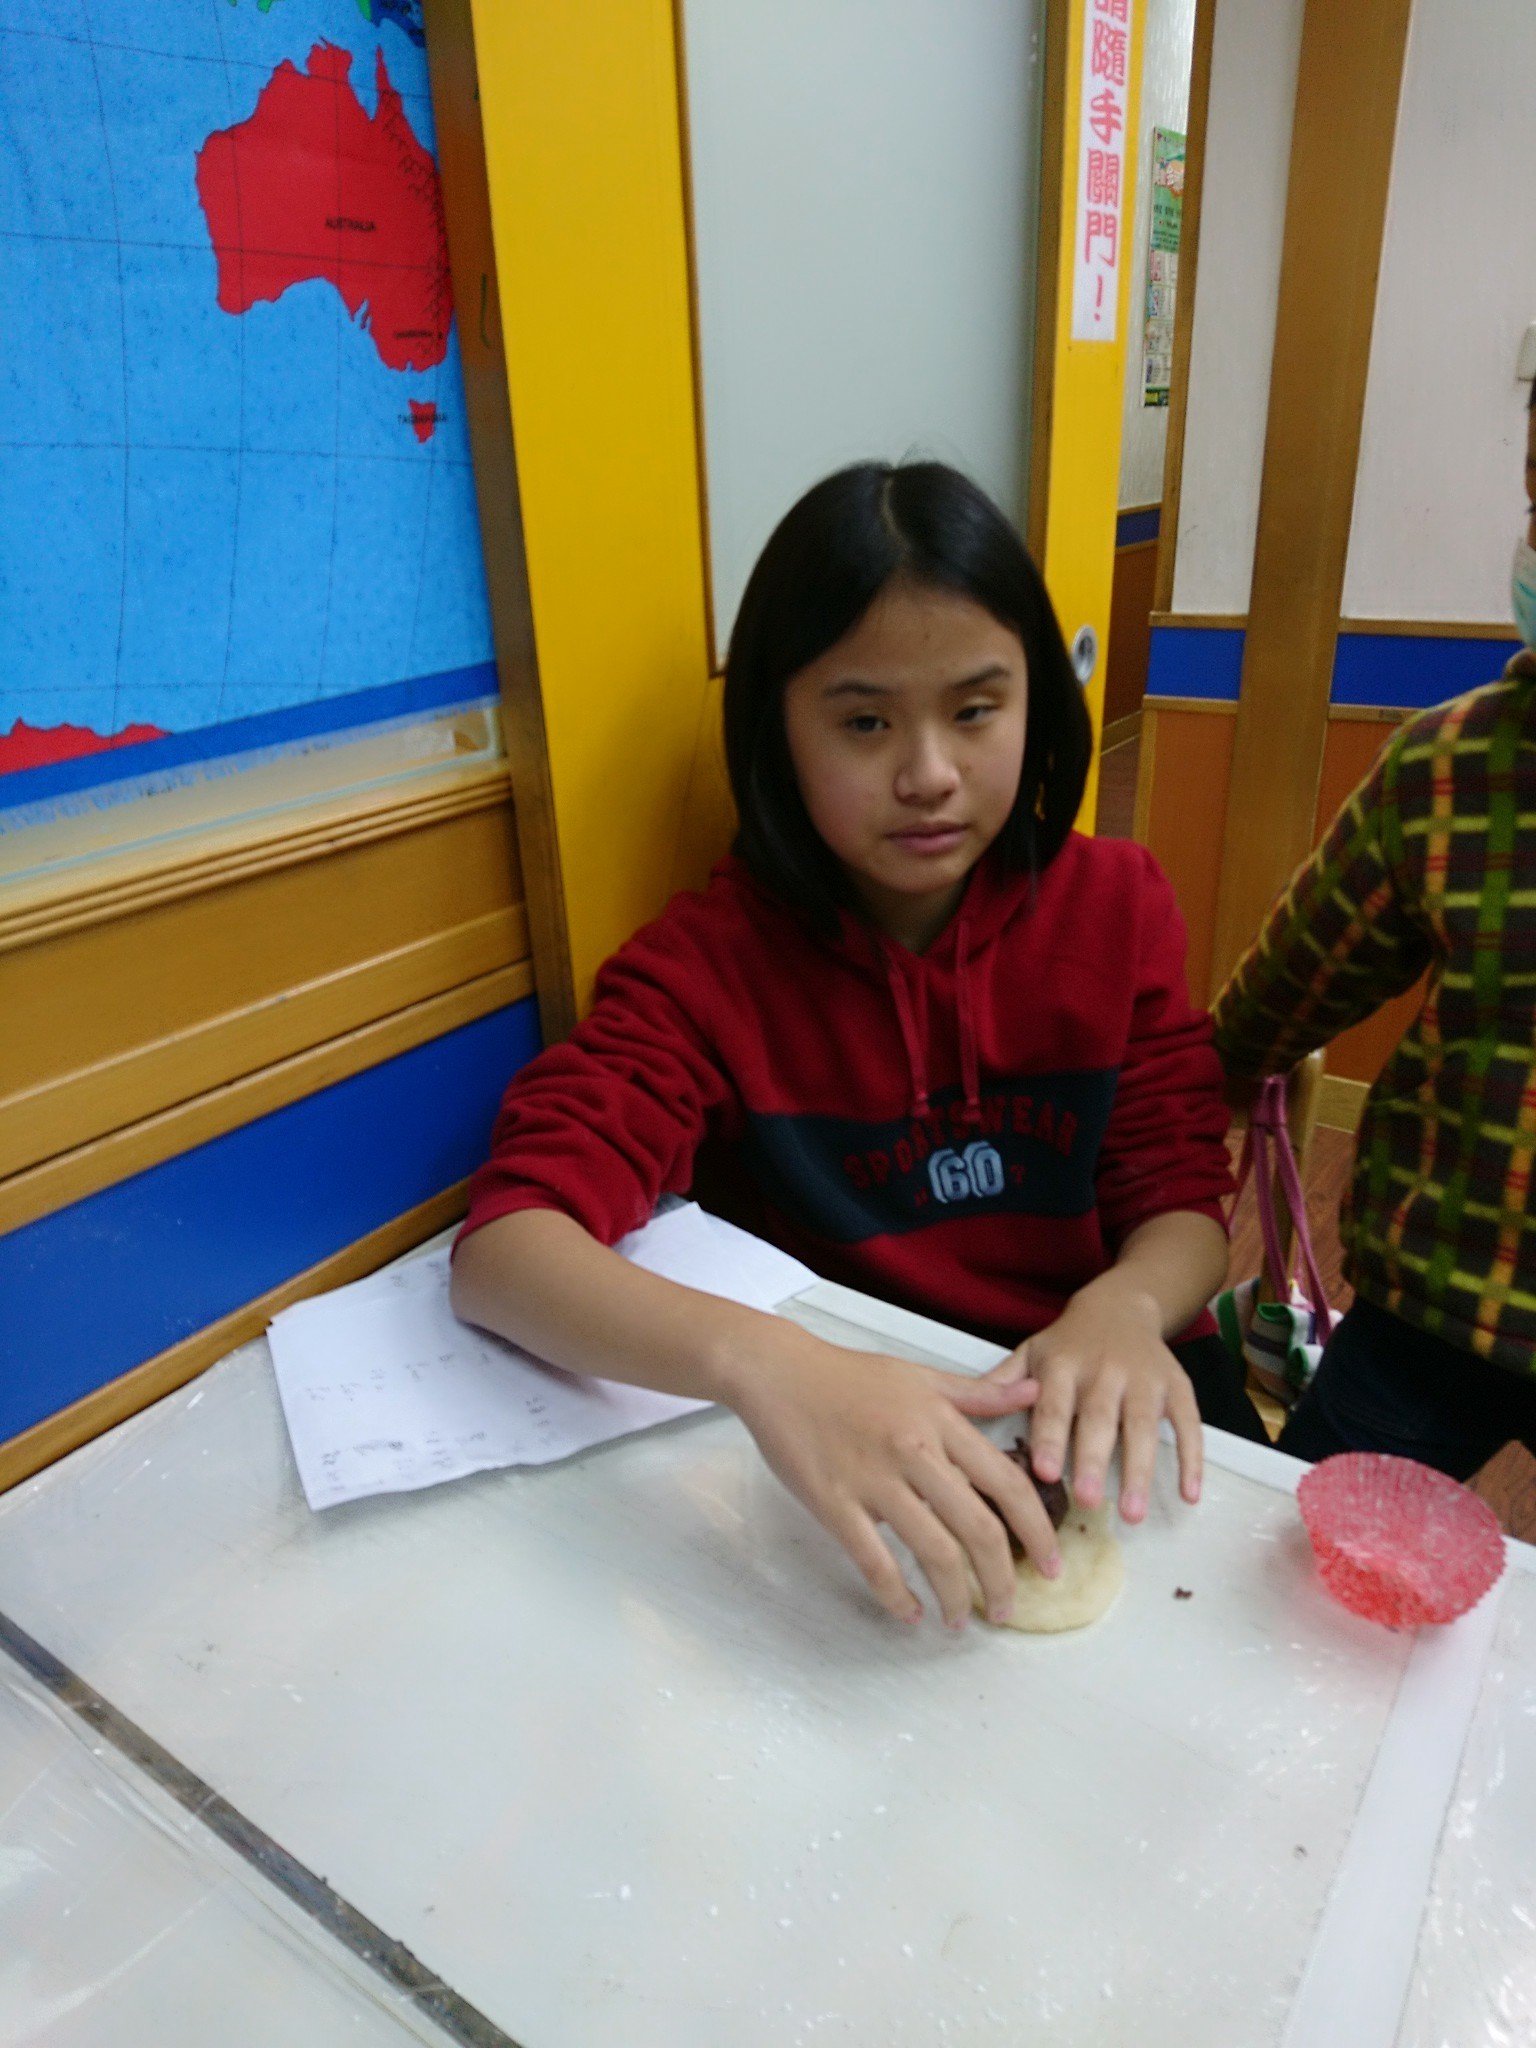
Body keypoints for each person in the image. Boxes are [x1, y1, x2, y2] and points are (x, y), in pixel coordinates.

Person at [452, 461, 1261, 1631]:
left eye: (975, 710)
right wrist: (767, 1363)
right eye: (865, 721)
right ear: (778, 733)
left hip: (1110, 1388)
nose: (928, 774)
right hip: (862, 1438)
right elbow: (506, 1248)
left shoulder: (1116, 905)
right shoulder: (710, 968)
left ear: (1036, 703)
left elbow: (1182, 1200)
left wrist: (1127, 1306)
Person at [1213, 378, 1536, 1476]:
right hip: (1430, 1299)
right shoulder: (1449, 768)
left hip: (1427, 1298)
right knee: (1305, 1541)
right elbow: (1277, 997)